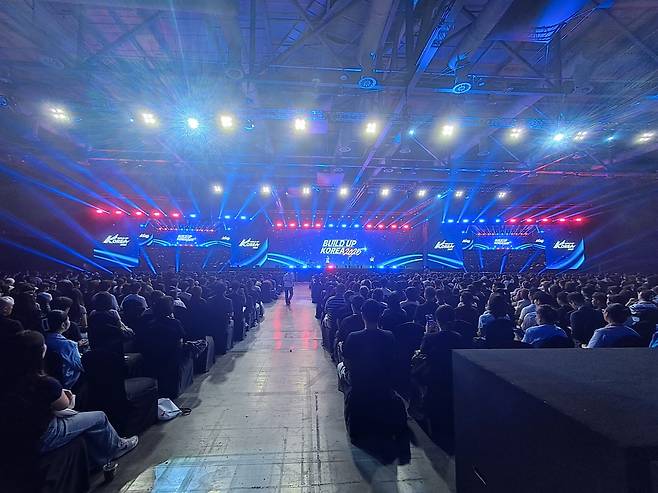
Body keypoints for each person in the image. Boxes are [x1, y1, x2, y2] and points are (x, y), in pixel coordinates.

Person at [1, 330, 137, 489]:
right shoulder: (44, 382)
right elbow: (64, 404)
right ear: (40, 352)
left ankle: (97, 457)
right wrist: (66, 395)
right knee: (99, 417)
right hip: (44, 435)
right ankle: (117, 447)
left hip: (16, 437)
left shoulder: (7, 379)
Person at [44, 310, 84, 389]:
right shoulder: (69, 345)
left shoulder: (43, 338)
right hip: (68, 382)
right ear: (63, 325)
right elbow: (79, 366)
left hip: (48, 379)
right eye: (68, 320)